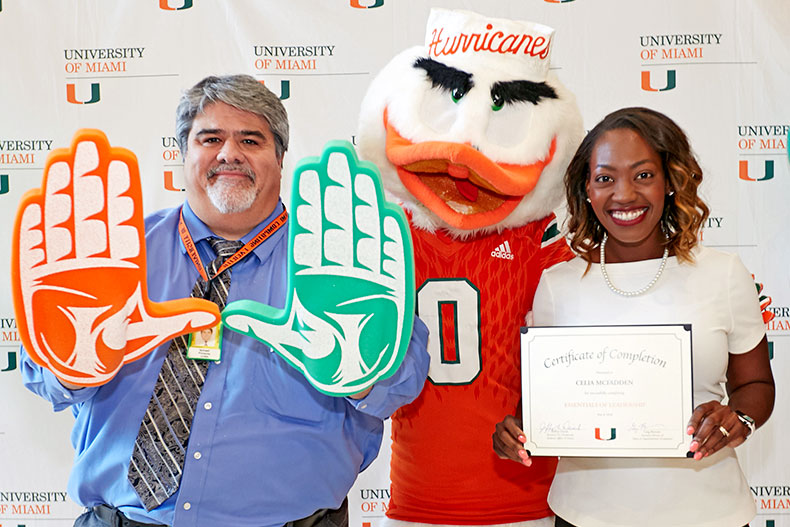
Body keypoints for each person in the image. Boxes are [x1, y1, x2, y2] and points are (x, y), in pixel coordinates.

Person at [20, 74, 430, 527]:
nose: (229, 152)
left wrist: (359, 372)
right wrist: (73, 360)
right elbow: (40, 374)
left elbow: (403, 385)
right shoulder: (114, 255)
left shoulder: (346, 264)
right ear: (183, 154)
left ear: (279, 157)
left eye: (250, 139)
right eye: (210, 137)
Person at [492, 107, 775, 527]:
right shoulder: (557, 285)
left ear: (670, 182)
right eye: (605, 178)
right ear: (586, 189)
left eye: (643, 175)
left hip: (710, 513)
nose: (624, 194)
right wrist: (516, 431)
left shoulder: (723, 273)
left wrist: (740, 418)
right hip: (584, 516)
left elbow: (755, 383)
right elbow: (546, 402)